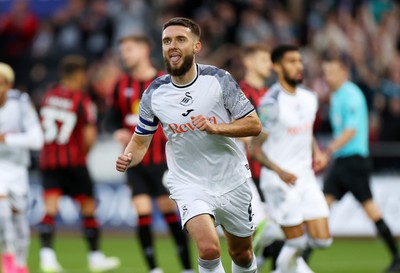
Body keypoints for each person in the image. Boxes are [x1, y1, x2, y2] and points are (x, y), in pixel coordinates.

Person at [116, 17, 262, 273]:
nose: (172, 45)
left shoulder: (219, 80)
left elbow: (253, 124)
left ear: (196, 46)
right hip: (188, 182)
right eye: (166, 41)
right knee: (208, 249)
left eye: (180, 39)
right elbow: (140, 140)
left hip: (231, 179)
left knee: (242, 254)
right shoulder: (154, 93)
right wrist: (128, 156)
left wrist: (218, 128)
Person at [104, 27, 193, 273]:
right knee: (142, 212)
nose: (125, 55)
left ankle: (186, 267)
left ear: (145, 50)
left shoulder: (165, 81)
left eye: (129, 50)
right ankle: (154, 269)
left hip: (163, 160)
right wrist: (116, 132)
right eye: (122, 51)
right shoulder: (120, 84)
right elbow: (111, 118)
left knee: (168, 211)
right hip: (134, 161)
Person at [249, 44, 332, 273]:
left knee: (322, 240)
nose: (298, 66)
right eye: (291, 61)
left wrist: (317, 152)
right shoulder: (271, 104)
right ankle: (270, 235)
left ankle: (270, 231)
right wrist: (279, 171)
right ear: (276, 66)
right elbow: (255, 149)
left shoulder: (309, 97)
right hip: (279, 180)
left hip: (306, 178)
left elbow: (306, 130)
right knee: (296, 242)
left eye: (299, 61)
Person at [37, 55, 120, 273]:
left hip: (48, 160)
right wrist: (82, 154)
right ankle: (95, 257)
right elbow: (89, 136)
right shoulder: (82, 100)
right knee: (88, 207)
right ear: (78, 75)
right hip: (74, 161)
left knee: (50, 208)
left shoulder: (48, 95)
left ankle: (47, 257)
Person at [321, 56, 400, 273]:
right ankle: (301, 260)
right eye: (325, 72)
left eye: (332, 72)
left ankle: (397, 256)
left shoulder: (352, 94)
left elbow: (351, 130)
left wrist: (328, 150)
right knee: (320, 209)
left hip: (354, 161)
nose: (327, 77)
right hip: (342, 162)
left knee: (369, 210)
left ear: (344, 72)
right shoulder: (336, 96)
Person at [238, 43, 284, 271]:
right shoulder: (238, 92)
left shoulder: (270, 94)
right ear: (249, 61)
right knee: (269, 229)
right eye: (264, 60)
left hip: (271, 169)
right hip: (249, 172)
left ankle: (263, 258)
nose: (270, 66)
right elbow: (240, 131)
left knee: (279, 230)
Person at [0, 62, 44, 273]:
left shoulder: (20, 103)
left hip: (17, 167)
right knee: (2, 212)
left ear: (9, 85)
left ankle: (20, 262)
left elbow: (37, 139)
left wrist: (7, 139)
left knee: (19, 219)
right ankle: (7, 255)